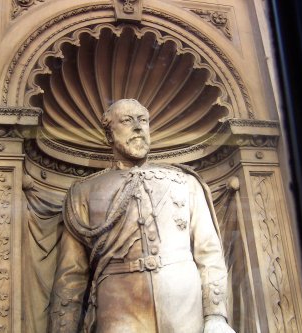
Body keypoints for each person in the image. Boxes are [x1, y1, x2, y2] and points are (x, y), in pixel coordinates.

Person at [49, 99, 235, 333]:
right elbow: (71, 275)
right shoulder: (84, 193)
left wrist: (216, 316)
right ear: (109, 135)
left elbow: (209, 253)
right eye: (127, 120)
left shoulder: (185, 182)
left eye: (143, 120)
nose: (138, 127)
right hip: (118, 306)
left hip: (184, 306)